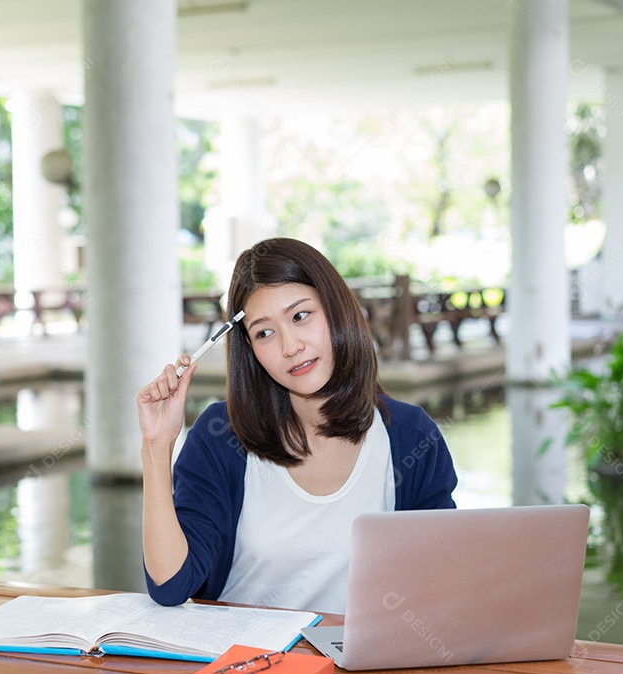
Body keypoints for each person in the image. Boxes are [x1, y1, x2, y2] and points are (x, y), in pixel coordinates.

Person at [136, 237, 457, 613]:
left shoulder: (411, 437)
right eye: (264, 333)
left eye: (301, 316)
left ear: (337, 310)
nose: (290, 346)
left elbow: (439, 583)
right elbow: (172, 585)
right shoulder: (221, 435)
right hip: (245, 662)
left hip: (355, 663)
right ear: (250, 350)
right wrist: (157, 447)